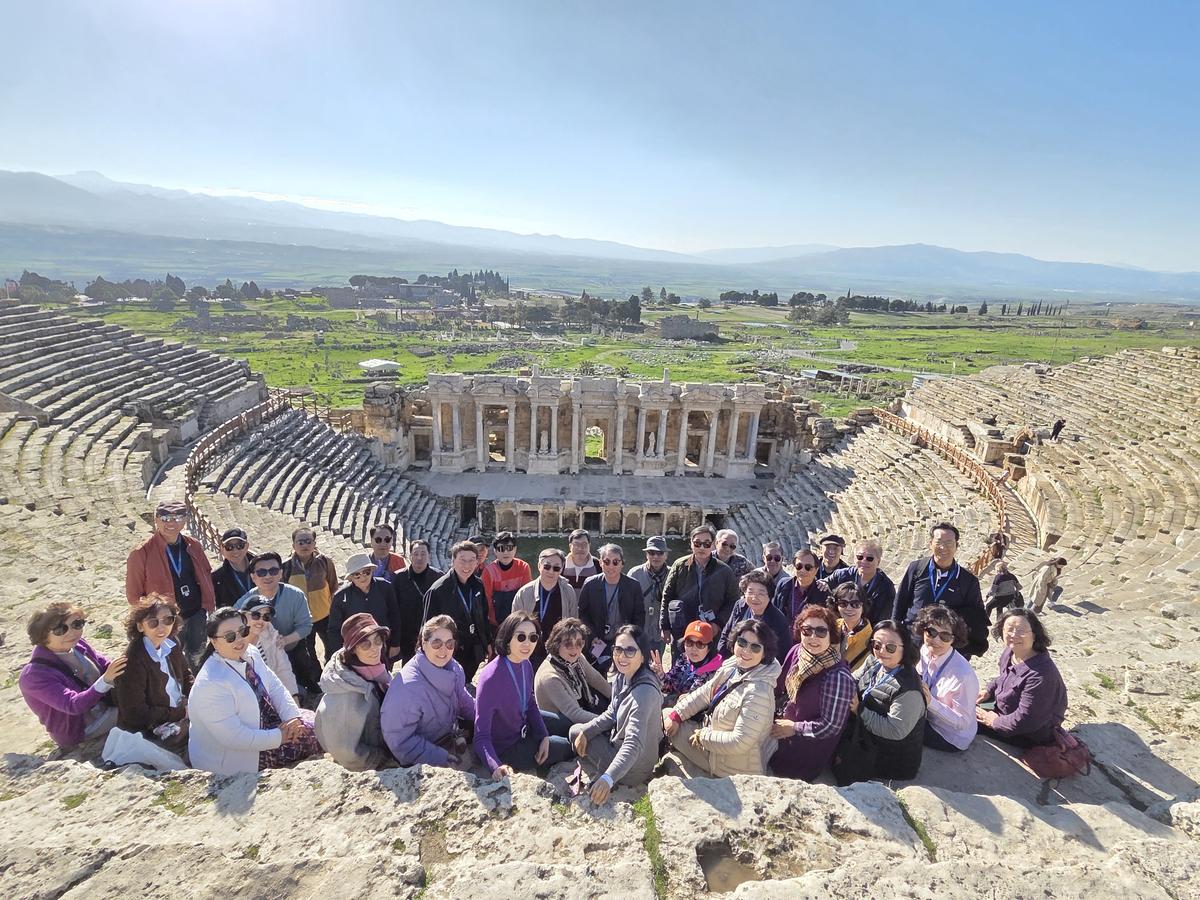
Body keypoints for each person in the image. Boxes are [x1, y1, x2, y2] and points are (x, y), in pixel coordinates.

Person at [188, 608, 321, 775]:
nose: (239, 640)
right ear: (214, 642)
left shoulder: (250, 652)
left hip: (263, 727)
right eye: (230, 636)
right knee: (315, 735)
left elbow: (274, 686)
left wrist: (291, 716)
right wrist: (280, 736)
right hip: (233, 757)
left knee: (312, 721)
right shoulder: (210, 683)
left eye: (242, 631)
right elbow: (234, 737)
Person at [662, 618, 782, 777]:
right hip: (712, 741)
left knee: (663, 716)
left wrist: (702, 736)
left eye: (755, 647)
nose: (746, 651)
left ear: (765, 653)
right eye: (742, 642)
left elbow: (740, 741)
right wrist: (677, 715)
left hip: (726, 765)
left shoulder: (759, 692)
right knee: (669, 715)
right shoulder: (734, 667)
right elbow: (705, 693)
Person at [474, 611, 574, 779]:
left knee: (568, 724)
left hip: (523, 725)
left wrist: (543, 736)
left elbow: (530, 703)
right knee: (566, 746)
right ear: (507, 637)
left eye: (533, 637)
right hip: (506, 747)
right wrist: (495, 766)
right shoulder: (490, 678)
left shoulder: (525, 663)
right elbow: (481, 737)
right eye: (521, 637)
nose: (527, 643)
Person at [570, 625, 664, 802]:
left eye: (630, 650)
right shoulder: (623, 676)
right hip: (627, 750)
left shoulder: (644, 693)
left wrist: (608, 778)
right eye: (618, 649)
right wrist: (587, 731)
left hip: (634, 769)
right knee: (579, 732)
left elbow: (633, 743)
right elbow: (611, 713)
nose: (622, 656)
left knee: (573, 732)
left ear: (642, 655)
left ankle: (604, 770)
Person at [19, 602, 126, 749]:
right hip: (82, 727)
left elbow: (104, 664)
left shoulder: (78, 645)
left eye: (77, 624)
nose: (72, 632)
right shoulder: (34, 675)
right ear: (42, 635)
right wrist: (105, 681)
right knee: (140, 708)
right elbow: (72, 705)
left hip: (104, 705)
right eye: (60, 629)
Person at [125, 499, 215, 671]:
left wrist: (208, 605)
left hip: (196, 614)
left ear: (185, 520)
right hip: (166, 621)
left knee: (198, 657)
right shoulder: (141, 553)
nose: (171, 523)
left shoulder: (193, 545)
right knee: (172, 664)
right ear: (156, 519)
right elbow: (134, 596)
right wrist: (155, 621)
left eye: (177, 517)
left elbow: (205, 574)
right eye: (165, 518)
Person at [836, 619, 926, 784]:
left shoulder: (909, 690)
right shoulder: (874, 661)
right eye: (876, 645)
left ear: (905, 648)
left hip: (888, 756)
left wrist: (859, 710)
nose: (882, 651)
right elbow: (853, 679)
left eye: (890, 647)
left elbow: (894, 730)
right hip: (866, 734)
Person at [770, 605, 854, 781]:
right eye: (807, 630)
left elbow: (831, 726)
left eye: (821, 631)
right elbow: (780, 687)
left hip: (806, 747)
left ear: (832, 635)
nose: (813, 637)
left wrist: (794, 728)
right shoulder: (797, 651)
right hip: (781, 729)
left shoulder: (837, 676)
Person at [381, 615, 476, 768]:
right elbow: (400, 741)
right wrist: (440, 757)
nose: (443, 650)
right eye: (436, 643)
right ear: (424, 644)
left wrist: (484, 715)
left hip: (449, 737)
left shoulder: (454, 668)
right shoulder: (407, 687)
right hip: (423, 759)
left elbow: (462, 698)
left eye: (449, 644)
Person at [893, 523, 989, 659]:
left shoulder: (968, 580)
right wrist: (894, 632)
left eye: (949, 543)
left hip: (945, 647)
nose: (943, 547)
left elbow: (977, 617)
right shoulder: (917, 568)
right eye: (938, 542)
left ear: (957, 546)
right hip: (913, 642)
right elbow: (900, 602)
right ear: (930, 543)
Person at [976, 608, 1067, 748]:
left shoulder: (1040, 675)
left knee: (965, 720)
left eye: (1021, 631)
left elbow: (1026, 720)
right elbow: (1004, 677)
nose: (1014, 635)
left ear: (1034, 635)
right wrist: (989, 690)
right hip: (1004, 710)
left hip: (1028, 732)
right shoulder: (1011, 652)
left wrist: (993, 721)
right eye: (1009, 629)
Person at [114, 593, 193, 752]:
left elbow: (186, 675)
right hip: (152, 726)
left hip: (181, 709)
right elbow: (135, 713)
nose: (161, 627)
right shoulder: (132, 661)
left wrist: (196, 698)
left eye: (168, 620)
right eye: (153, 622)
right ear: (140, 626)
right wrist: (181, 713)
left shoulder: (171, 642)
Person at [315, 613, 394, 770]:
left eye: (378, 640)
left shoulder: (374, 670)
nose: (375, 648)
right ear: (353, 650)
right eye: (365, 644)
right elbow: (345, 751)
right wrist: (380, 758)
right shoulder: (346, 693)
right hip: (367, 761)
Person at [234, 551, 317, 695]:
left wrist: (285, 640)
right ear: (253, 577)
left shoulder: (295, 595)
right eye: (261, 572)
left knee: (305, 677)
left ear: (281, 573)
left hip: (292, 646)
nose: (268, 576)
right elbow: (234, 622)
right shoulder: (245, 602)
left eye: (273, 571)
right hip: (263, 650)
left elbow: (306, 626)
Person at [661, 524, 740, 652]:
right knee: (681, 661)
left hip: (711, 630)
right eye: (697, 543)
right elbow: (667, 595)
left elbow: (733, 601)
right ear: (691, 544)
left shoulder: (725, 571)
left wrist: (718, 624)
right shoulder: (679, 565)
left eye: (706, 544)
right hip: (683, 628)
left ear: (713, 545)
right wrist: (665, 626)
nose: (702, 548)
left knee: (708, 661)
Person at [421, 541, 493, 682]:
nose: (467, 565)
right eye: (462, 560)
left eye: (472, 560)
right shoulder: (438, 590)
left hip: (473, 648)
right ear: (453, 561)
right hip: (448, 650)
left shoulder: (478, 585)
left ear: (477, 562)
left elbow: (484, 616)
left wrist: (488, 642)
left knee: (465, 682)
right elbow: (427, 628)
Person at [914, 607, 979, 752]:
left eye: (945, 636)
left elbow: (962, 722)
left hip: (949, 735)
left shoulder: (963, 676)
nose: (936, 640)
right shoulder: (925, 649)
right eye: (931, 632)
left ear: (954, 639)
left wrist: (931, 702)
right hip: (928, 716)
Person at [534, 618, 611, 737]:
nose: (575, 648)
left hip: (582, 712)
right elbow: (574, 714)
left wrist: (616, 699)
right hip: (563, 728)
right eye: (568, 643)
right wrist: (610, 722)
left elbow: (596, 680)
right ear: (556, 644)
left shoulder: (577, 659)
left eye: (579, 643)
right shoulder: (550, 677)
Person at [281, 527, 339, 674]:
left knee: (332, 647)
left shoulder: (325, 562)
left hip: (325, 615)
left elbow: (333, 585)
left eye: (308, 541)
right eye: (300, 542)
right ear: (293, 545)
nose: (304, 545)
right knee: (308, 652)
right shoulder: (286, 567)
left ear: (314, 544)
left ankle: (330, 674)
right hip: (302, 618)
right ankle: (317, 677)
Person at [578, 544, 644, 671]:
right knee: (596, 671)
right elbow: (582, 614)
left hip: (623, 640)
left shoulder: (633, 586)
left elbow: (639, 616)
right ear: (600, 563)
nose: (611, 566)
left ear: (622, 563)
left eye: (615, 562)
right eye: (606, 562)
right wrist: (592, 635)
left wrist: (631, 637)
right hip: (598, 640)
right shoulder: (590, 584)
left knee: (622, 672)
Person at [327, 553, 403, 663]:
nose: (363, 577)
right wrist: (342, 654)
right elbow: (334, 630)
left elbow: (395, 615)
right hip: (356, 652)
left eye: (366, 572)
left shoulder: (385, 587)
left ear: (372, 571)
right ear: (351, 577)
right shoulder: (340, 597)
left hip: (383, 646)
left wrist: (395, 643)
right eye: (357, 574)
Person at [512, 547, 578, 668]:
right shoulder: (524, 592)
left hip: (558, 649)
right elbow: (514, 625)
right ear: (539, 566)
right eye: (547, 566)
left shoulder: (568, 591)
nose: (551, 571)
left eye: (556, 568)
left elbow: (573, 623)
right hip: (530, 648)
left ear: (561, 569)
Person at [718, 570, 793, 660]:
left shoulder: (779, 621)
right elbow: (727, 633)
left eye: (761, 593)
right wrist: (722, 658)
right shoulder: (740, 605)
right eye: (750, 592)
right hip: (735, 659)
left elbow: (782, 654)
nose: (754, 598)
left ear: (769, 596)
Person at [821, 539, 896, 625]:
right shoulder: (841, 575)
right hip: (838, 625)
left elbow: (882, 620)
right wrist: (823, 583)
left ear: (878, 562)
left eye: (869, 558)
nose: (864, 561)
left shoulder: (886, 588)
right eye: (860, 557)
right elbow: (824, 583)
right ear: (854, 559)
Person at [391, 539, 442, 663]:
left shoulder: (438, 578)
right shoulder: (398, 577)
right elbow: (393, 608)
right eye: (415, 554)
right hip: (405, 634)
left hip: (430, 633)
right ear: (410, 556)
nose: (419, 558)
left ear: (429, 555)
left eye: (423, 554)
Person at [654, 620, 724, 701]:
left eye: (700, 644)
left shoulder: (714, 672)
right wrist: (660, 674)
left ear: (709, 648)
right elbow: (668, 688)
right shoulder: (683, 659)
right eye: (689, 643)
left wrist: (688, 697)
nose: (694, 649)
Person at [244, 598, 299, 699]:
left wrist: (293, 697)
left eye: (266, 616)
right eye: (256, 615)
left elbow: (283, 669)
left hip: (271, 692)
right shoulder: (234, 643)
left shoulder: (272, 636)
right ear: (243, 615)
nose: (261, 621)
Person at [628, 536, 671, 654]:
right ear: (646, 554)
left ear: (666, 555)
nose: (656, 557)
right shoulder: (635, 573)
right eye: (652, 553)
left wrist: (667, 628)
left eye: (660, 553)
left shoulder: (672, 574)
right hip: (638, 629)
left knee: (656, 661)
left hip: (660, 632)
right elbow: (627, 604)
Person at [481, 531, 532, 626]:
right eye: (501, 549)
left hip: (518, 619)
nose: (505, 552)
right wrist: (494, 622)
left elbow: (527, 596)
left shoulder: (523, 567)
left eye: (509, 548)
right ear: (495, 551)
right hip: (496, 621)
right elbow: (487, 600)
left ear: (515, 549)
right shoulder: (489, 571)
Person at [772, 548, 832, 621]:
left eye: (808, 567)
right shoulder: (783, 584)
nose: (802, 570)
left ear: (816, 570)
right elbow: (774, 611)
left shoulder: (822, 592)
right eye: (799, 566)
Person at [832, 582, 874, 672]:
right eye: (843, 603)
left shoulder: (872, 639)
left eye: (855, 604)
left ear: (863, 606)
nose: (848, 608)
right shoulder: (831, 627)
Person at [211, 527, 254, 609]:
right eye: (229, 547)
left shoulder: (262, 566)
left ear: (247, 546)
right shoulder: (216, 577)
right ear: (222, 549)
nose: (235, 551)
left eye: (240, 545)